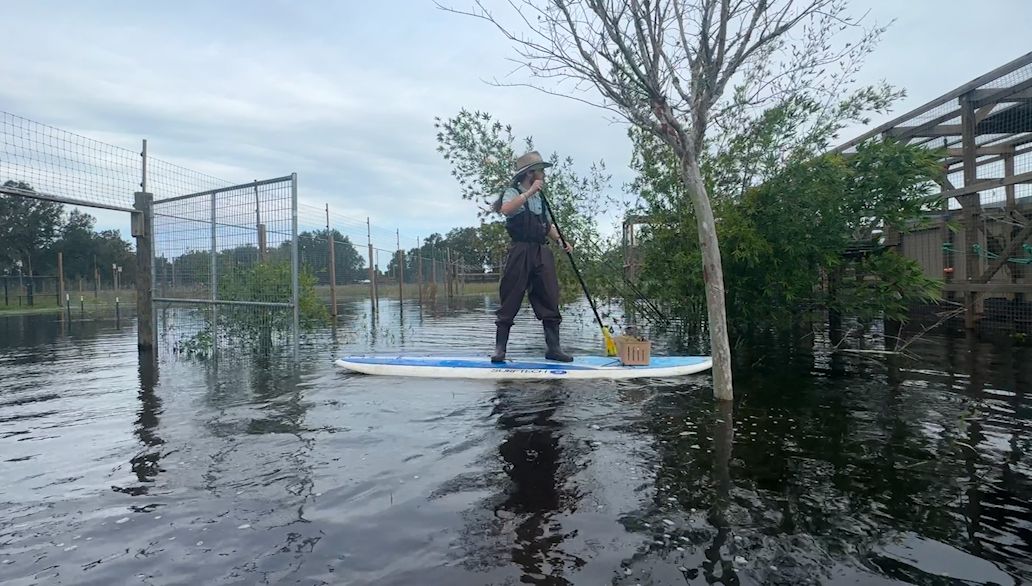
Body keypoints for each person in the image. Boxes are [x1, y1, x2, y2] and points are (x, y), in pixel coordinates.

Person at [490, 151, 574, 363]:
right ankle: (500, 350)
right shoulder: (513, 192)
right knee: (511, 295)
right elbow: (506, 209)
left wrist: (561, 241)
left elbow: (547, 225)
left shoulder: (541, 198)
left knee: (549, 295)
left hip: (541, 252)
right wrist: (528, 194)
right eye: (541, 170)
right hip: (520, 251)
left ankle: (553, 349)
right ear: (530, 174)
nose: (544, 174)